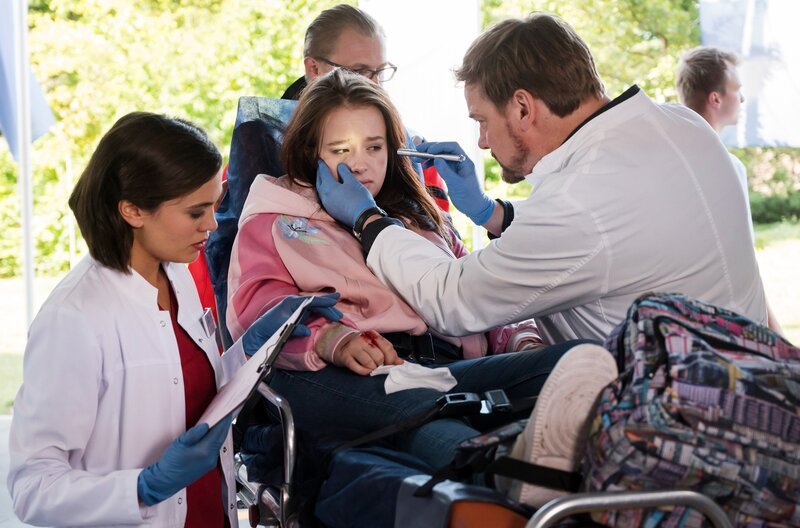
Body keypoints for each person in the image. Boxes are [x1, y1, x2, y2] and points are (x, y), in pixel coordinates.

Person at [227, 69, 616, 506]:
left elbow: (475, 289)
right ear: (308, 151)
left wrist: (518, 338)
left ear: (393, 151)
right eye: (340, 150)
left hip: (449, 372)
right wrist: (332, 337)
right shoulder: (275, 217)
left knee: (580, 359)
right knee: (437, 429)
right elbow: (260, 308)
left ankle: (550, 458)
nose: (359, 163)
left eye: (374, 147)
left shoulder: (420, 217)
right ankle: (518, 468)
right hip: (364, 375)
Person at [315, 12, 769, 347]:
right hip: (750, 380)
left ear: (523, 107)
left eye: (483, 121)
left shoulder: (582, 202)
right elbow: (622, 236)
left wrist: (368, 220)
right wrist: (490, 213)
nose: (482, 142)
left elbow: (452, 300)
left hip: (676, 428)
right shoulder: (682, 126)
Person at [6, 112, 342, 526]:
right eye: (195, 212)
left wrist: (256, 345)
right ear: (132, 210)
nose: (212, 224)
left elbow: (189, 391)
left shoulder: (177, 274)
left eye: (214, 206)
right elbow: (31, 487)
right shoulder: (74, 318)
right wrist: (145, 486)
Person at [281, 3, 451, 212]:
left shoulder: (411, 150)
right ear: (314, 68)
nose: (374, 85)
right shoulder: (260, 144)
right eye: (358, 71)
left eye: (380, 71)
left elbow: (442, 234)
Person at [676, 46, 784, 335]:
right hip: (728, 330)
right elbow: (744, 263)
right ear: (716, 98)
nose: (743, 97)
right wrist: (776, 336)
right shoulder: (727, 167)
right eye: (737, 89)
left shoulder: (663, 161)